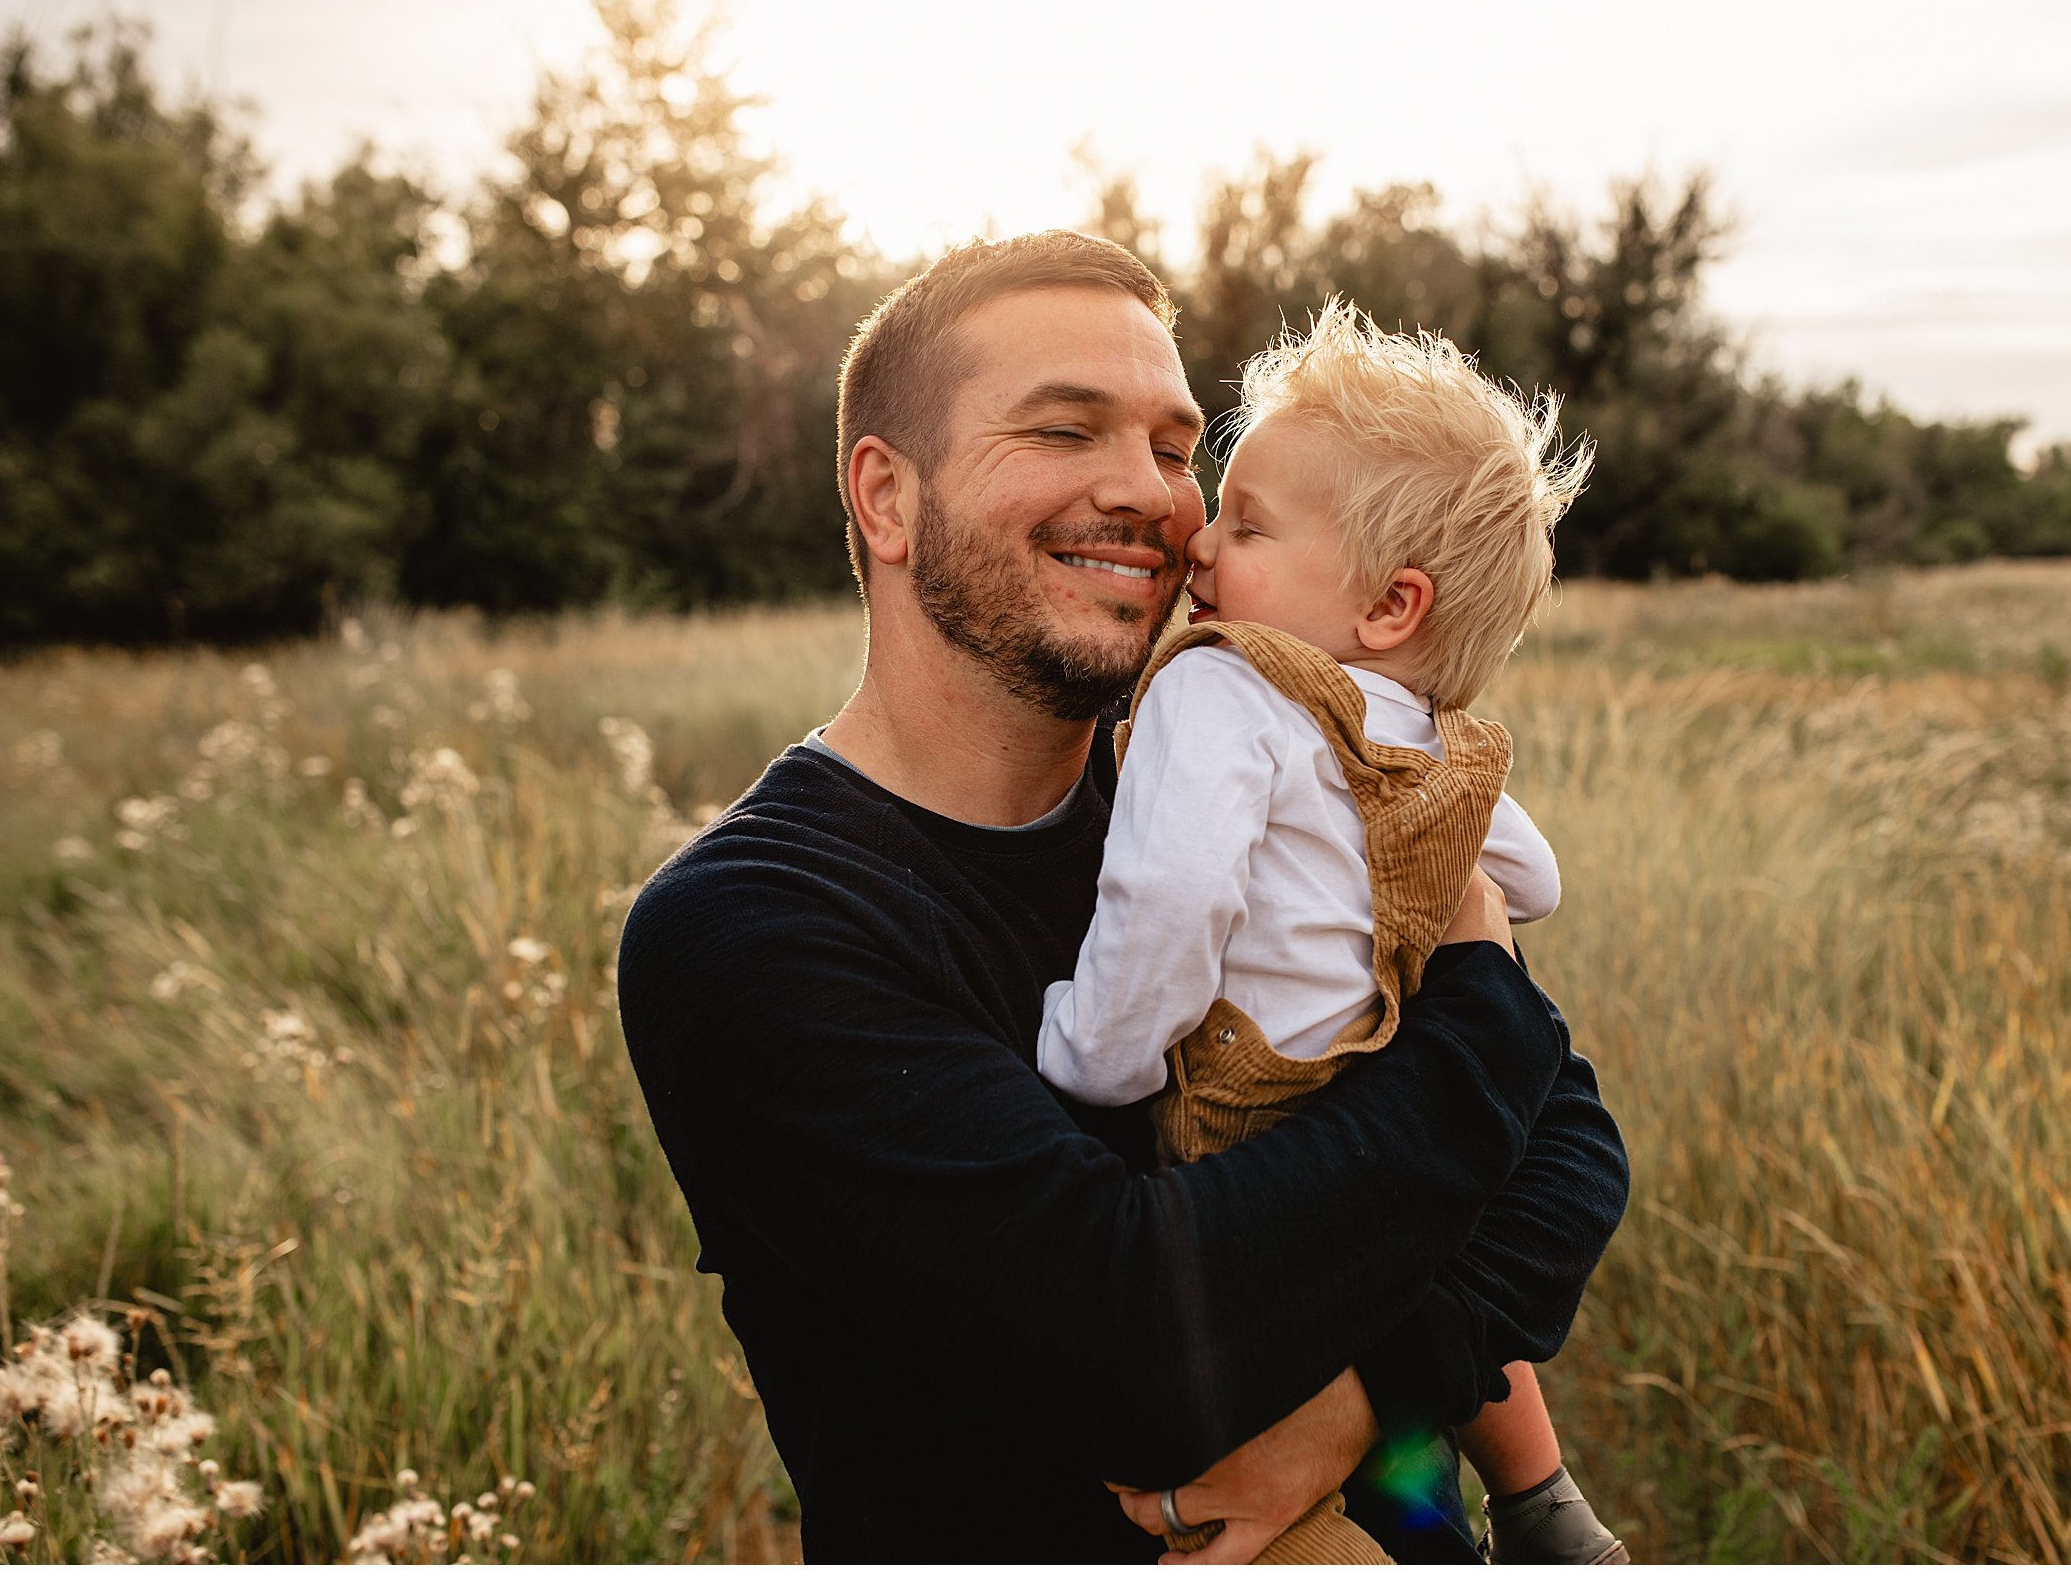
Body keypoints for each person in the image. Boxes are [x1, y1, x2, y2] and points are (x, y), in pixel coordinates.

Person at [616, 231, 1629, 1563]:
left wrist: (1366, 1397)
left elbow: (1568, 1151)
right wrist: (1486, 996)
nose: (1160, 500)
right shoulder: (750, 924)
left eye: (1171, 444)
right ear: (886, 497)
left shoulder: (1237, 787)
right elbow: (1129, 1339)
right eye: (1063, 429)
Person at [1035, 301, 1623, 1564]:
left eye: (1247, 526)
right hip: (1398, 1076)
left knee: (1262, 1414)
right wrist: (1446, 927)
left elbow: (1173, 906)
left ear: (1391, 601)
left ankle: (1363, 1524)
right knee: (1414, 1323)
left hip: (1257, 1106)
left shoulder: (1220, 684)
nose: (1201, 547)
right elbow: (1530, 875)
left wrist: (1094, 1053)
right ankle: (1518, 1513)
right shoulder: (1433, 737)